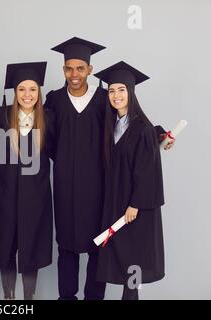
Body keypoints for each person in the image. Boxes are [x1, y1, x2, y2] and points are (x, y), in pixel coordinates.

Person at [94, 61, 165, 300]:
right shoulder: (112, 125)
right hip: (116, 203)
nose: (116, 95)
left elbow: (147, 170)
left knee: (134, 260)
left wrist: (135, 204)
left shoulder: (141, 128)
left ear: (131, 92)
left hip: (134, 208)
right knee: (122, 259)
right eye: (112, 91)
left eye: (121, 90)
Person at [44, 37, 108, 300]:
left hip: (98, 186)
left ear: (90, 70)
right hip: (65, 185)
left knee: (98, 244)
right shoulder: (54, 99)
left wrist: (158, 135)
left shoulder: (104, 98)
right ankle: (66, 297)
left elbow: (128, 126)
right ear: (63, 70)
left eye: (80, 68)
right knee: (66, 247)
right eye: (69, 68)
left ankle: (94, 297)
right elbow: (45, 138)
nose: (74, 74)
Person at [0, 62, 55, 300]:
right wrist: (0, 178)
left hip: (36, 199)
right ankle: (9, 298)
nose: (27, 95)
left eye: (33, 89)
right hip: (3, 198)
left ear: (39, 92)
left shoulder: (48, 120)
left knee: (31, 249)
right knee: (6, 248)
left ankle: (29, 299)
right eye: (22, 89)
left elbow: (66, 151)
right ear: (14, 92)